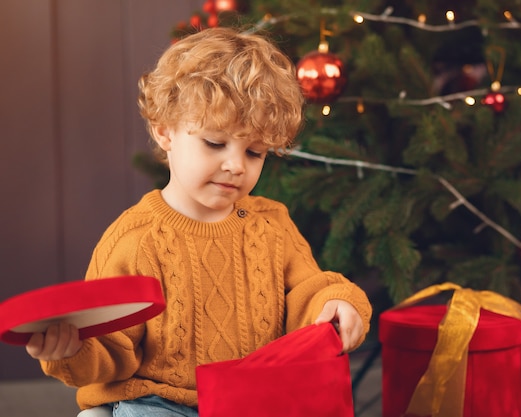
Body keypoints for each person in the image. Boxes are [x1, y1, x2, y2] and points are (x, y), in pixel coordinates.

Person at [25, 27, 372, 416]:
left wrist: (337, 301)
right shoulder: (136, 239)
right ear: (164, 130)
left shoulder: (271, 224)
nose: (236, 166)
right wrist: (70, 350)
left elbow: (309, 290)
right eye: (215, 143)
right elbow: (111, 351)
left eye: (255, 152)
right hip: (163, 401)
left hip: (255, 397)